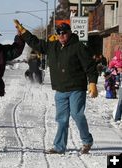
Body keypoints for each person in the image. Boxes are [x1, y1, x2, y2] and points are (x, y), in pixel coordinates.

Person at [14, 20, 98, 154]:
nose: (61, 36)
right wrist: (24, 32)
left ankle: (87, 140)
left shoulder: (79, 47)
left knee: (77, 114)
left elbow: (90, 66)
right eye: (59, 33)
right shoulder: (52, 46)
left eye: (64, 33)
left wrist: (92, 82)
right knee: (62, 119)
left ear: (70, 33)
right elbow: (36, 43)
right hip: (60, 90)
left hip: (76, 88)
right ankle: (59, 147)